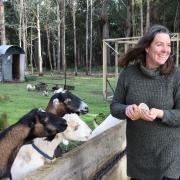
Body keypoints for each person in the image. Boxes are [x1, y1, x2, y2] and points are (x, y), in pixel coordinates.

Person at [110, 24, 180, 180]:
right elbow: (115, 106)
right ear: (147, 48)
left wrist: (161, 113)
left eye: (168, 45)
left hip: (169, 159)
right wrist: (126, 110)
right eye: (159, 44)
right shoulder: (128, 75)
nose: (166, 50)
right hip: (139, 159)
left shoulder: (176, 76)